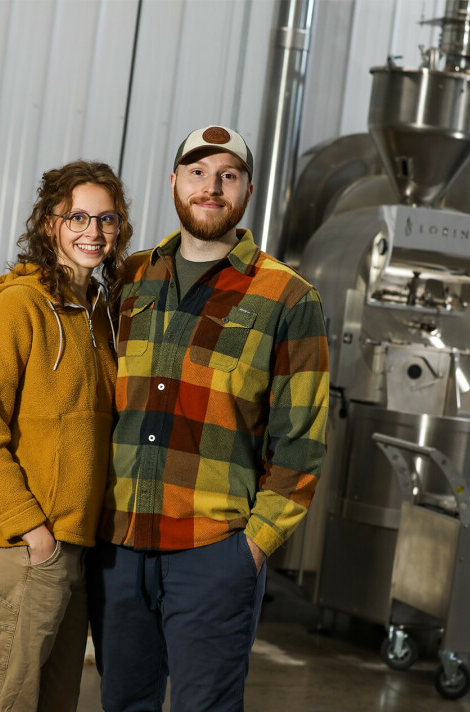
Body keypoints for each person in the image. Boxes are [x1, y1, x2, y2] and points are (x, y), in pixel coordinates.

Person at [88, 125, 330, 711]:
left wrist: (252, 546)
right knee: (122, 703)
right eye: (197, 173)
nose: (211, 188)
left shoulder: (289, 299)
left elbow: (300, 441)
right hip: (118, 547)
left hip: (213, 550)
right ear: (174, 184)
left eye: (228, 175)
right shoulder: (129, 278)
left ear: (247, 191)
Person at [0, 160, 131, 712]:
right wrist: (31, 530)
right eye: (77, 216)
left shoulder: (99, 314)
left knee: (54, 701)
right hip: (24, 547)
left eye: (107, 219)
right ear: (49, 223)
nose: (93, 232)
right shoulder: (19, 308)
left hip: (73, 546)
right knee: (3, 700)